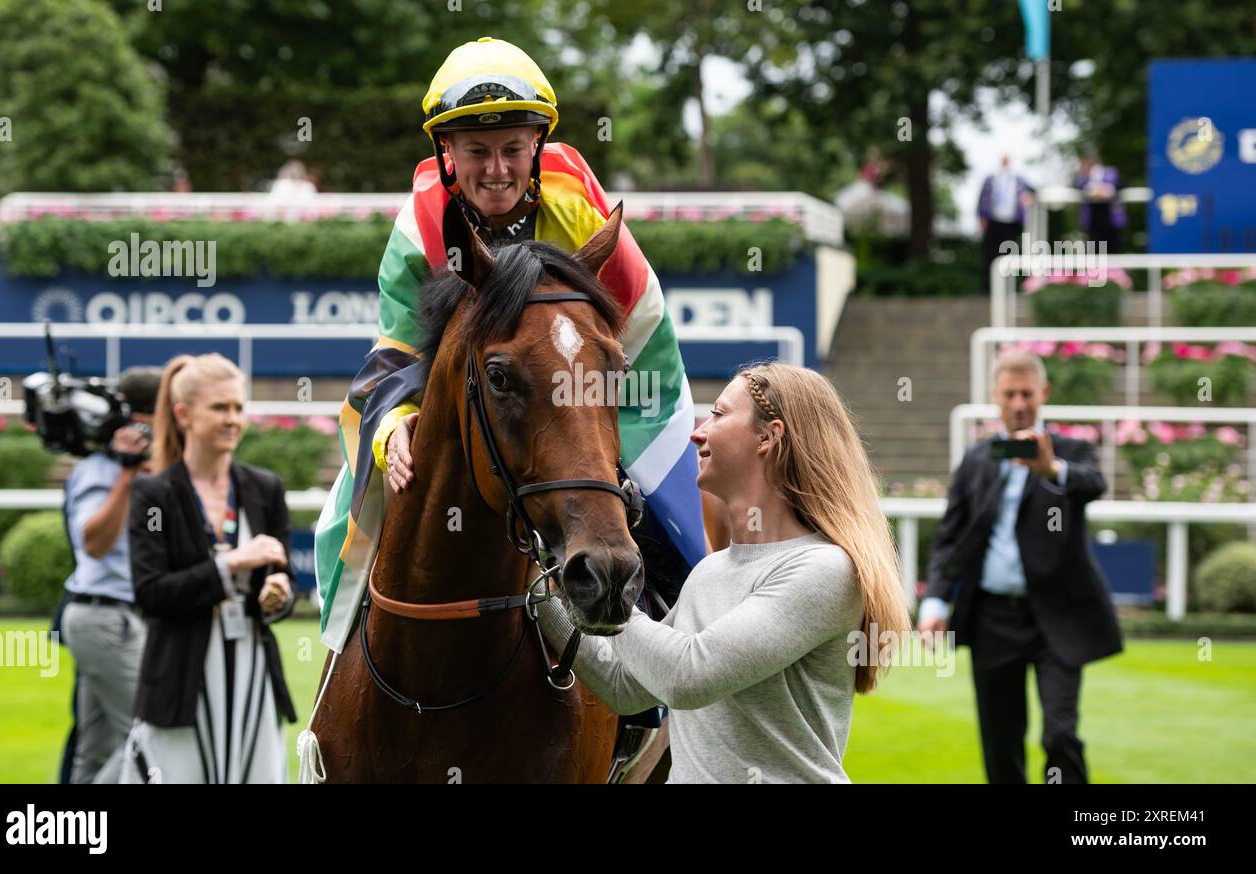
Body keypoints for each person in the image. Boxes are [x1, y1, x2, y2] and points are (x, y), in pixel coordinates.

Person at [313, 36, 705, 655]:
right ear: (447, 151)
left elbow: (638, 327)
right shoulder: (420, 228)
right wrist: (395, 428)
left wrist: (604, 436)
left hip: (597, 387)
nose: (496, 170)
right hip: (483, 397)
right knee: (352, 499)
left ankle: (685, 653)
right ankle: (342, 651)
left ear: (536, 149)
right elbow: (397, 353)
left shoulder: (578, 205)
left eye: (512, 150)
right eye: (476, 151)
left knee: (665, 513)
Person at [535, 363, 909, 783]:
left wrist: (606, 590)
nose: (697, 432)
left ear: (768, 437)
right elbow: (625, 687)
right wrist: (540, 587)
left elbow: (686, 676)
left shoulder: (824, 570)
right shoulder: (711, 571)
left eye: (718, 413)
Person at [916, 352, 1123, 784]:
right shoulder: (977, 460)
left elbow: (1094, 484)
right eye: (1009, 394)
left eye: (1026, 393)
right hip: (993, 618)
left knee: (1060, 735)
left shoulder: (1071, 451)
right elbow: (951, 537)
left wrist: (1051, 469)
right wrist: (935, 601)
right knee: (1000, 741)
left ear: (1043, 394)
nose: (1018, 403)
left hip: (1058, 616)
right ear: (995, 397)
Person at [122, 353, 297, 784]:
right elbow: (151, 593)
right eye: (220, 408)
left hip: (253, 676)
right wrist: (230, 564)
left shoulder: (264, 488)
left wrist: (279, 594)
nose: (233, 419)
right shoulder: (153, 495)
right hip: (180, 680)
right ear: (184, 414)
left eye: (238, 408)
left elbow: (281, 576)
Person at [59, 366, 163, 784]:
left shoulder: (139, 470)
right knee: (147, 735)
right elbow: (94, 541)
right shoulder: (101, 470)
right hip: (106, 619)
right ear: (143, 418)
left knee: (95, 749)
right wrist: (126, 471)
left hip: (109, 618)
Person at [978, 154, 1034, 293]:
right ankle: (987, 289)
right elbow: (982, 200)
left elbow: (1032, 193)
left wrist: (1029, 198)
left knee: (1011, 254)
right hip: (994, 222)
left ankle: (1010, 289)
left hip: (1012, 223)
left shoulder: (1018, 180)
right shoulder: (991, 179)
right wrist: (981, 218)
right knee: (990, 255)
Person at [1075, 150, 1124, 254]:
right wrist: (1093, 191)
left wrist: (1106, 191)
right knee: (1094, 253)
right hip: (1093, 222)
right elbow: (1078, 186)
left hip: (1111, 221)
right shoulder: (1083, 177)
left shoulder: (1111, 173)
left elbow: (1121, 185)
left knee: (1112, 252)